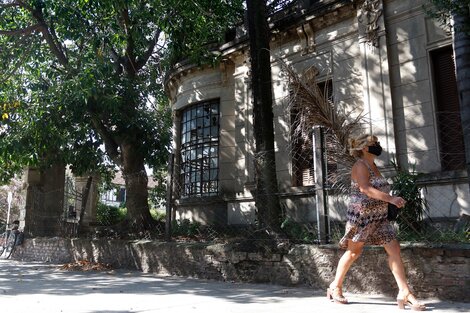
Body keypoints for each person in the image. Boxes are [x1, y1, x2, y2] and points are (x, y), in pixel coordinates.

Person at [327, 134, 426, 311]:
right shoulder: (360, 165)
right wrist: (391, 199)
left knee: (394, 249)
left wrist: (390, 201)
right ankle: (335, 286)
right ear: (365, 148)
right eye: (375, 144)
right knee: (352, 253)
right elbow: (365, 189)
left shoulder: (374, 165)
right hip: (363, 218)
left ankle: (404, 292)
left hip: (379, 217)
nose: (378, 146)